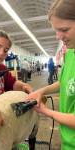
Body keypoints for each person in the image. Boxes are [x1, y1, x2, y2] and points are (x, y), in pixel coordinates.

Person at [25, 0, 75, 149]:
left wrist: (46, 112)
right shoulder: (71, 53)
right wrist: (42, 90)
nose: (58, 36)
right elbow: (64, 82)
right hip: (68, 141)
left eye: (64, 29)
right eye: (56, 30)